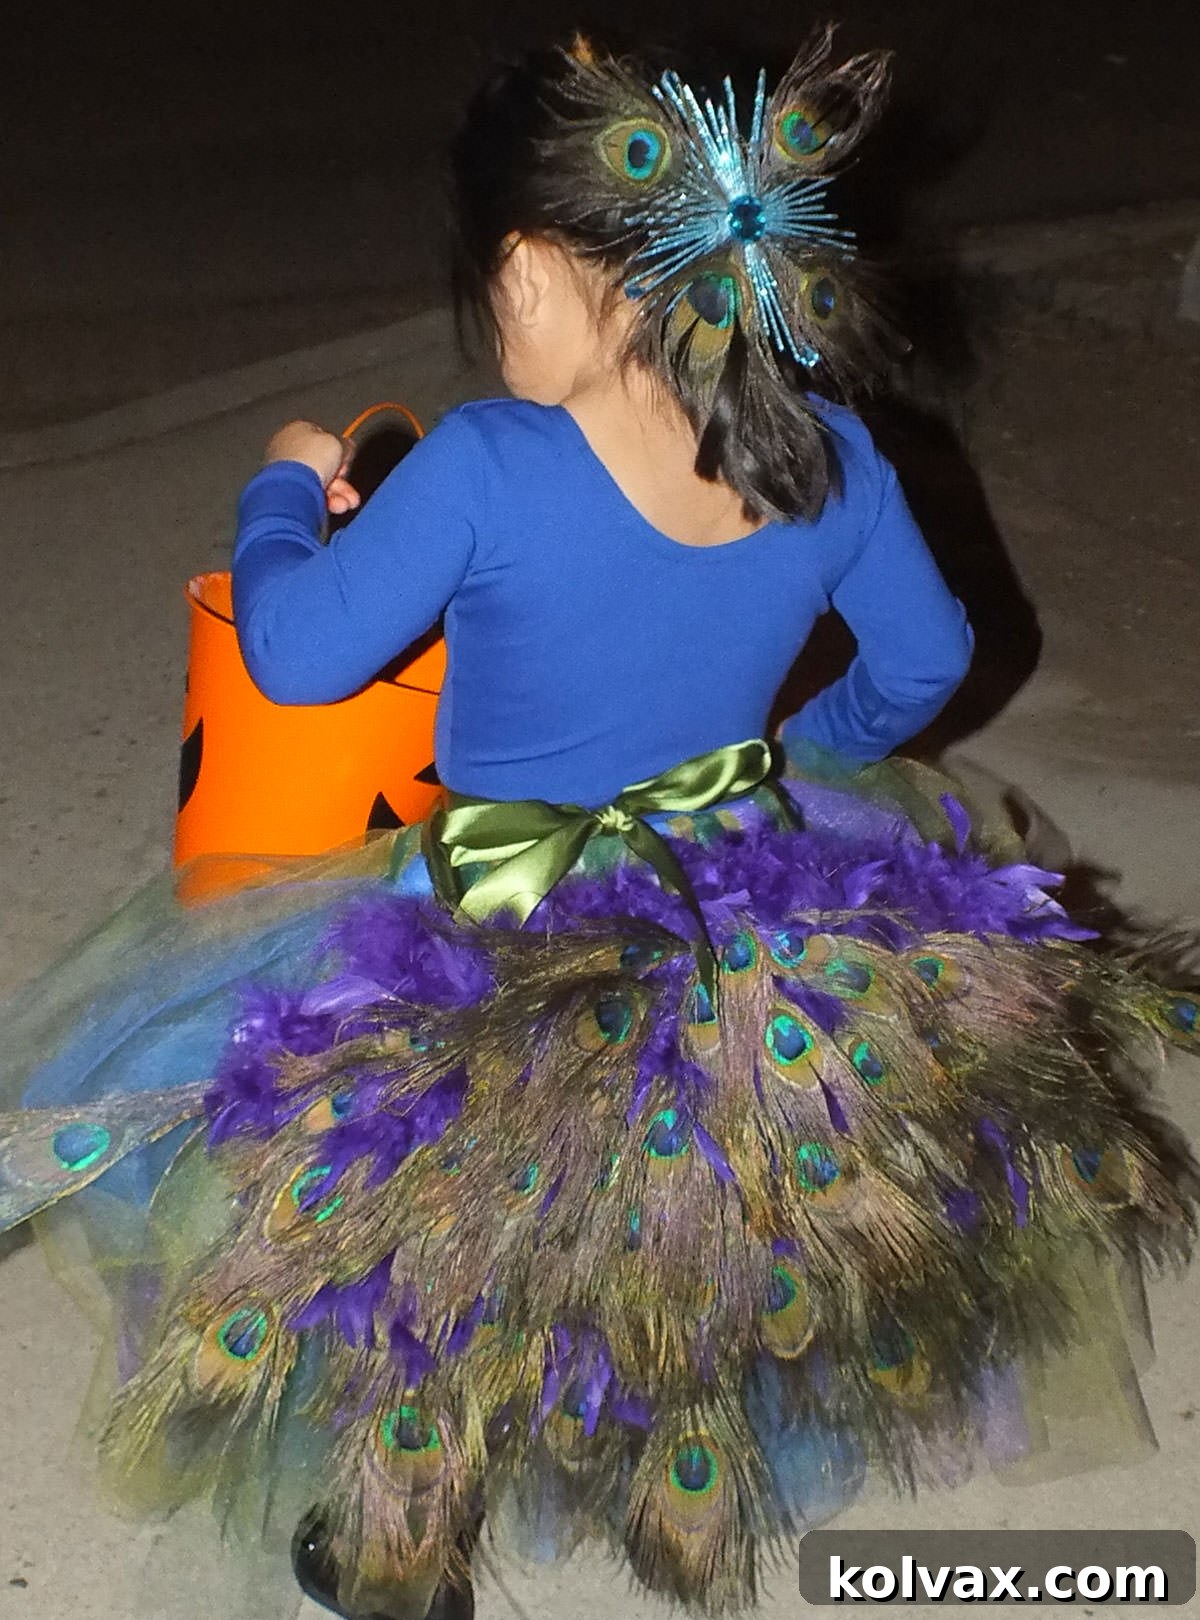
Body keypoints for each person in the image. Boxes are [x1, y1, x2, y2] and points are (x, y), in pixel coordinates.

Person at [0, 29, 1195, 1620]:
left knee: (431, 1213)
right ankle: (663, 1474)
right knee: (715, 1193)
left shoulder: (492, 466)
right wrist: (785, 762)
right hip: (732, 898)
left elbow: (294, 656)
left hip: (506, 916)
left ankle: (395, 1556)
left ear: (540, 274)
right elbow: (927, 660)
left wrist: (281, 491)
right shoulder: (835, 457)